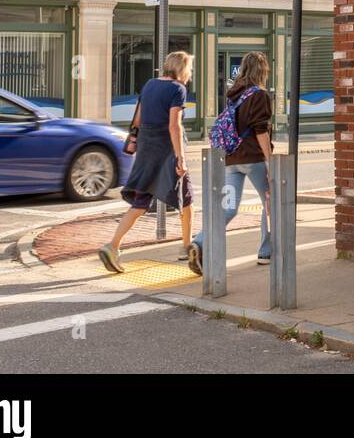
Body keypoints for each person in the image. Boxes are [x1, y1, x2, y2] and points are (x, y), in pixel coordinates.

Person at [98, 50, 194, 274]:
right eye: (189, 68)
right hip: (166, 150)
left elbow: (138, 119)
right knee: (186, 199)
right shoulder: (178, 89)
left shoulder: (150, 84)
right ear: (182, 68)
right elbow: (174, 126)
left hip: (146, 149)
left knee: (140, 202)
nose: (189, 73)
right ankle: (187, 247)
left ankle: (113, 246)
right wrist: (180, 158)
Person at [186, 50, 274, 274]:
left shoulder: (234, 94)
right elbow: (260, 131)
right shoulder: (260, 95)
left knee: (228, 209)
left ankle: (200, 242)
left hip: (230, 159)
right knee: (271, 202)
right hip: (254, 159)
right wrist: (271, 161)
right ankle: (266, 252)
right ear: (263, 70)